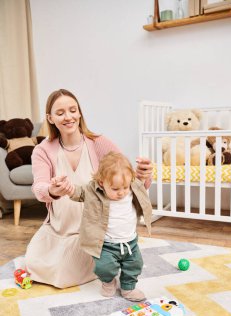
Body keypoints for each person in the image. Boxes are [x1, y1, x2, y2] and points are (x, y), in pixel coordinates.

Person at [25, 89, 152, 289]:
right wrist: (53, 190)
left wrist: (143, 175)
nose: (68, 117)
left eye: (73, 110)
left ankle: (106, 263)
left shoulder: (98, 143)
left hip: (96, 231)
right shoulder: (42, 150)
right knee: (33, 263)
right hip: (59, 228)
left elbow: (126, 182)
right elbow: (39, 188)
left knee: (64, 273)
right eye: (60, 113)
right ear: (50, 118)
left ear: (79, 113)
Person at [54, 151, 152, 301]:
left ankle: (128, 287)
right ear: (101, 183)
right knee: (104, 267)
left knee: (135, 265)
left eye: (125, 187)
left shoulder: (132, 187)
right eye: (115, 189)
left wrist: (144, 173)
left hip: (130, 242)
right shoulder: (93, 190)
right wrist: (67, 188)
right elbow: (78, 192)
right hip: (105, 244)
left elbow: (143, 184)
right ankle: (108, 281)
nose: (121, 193)